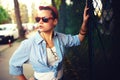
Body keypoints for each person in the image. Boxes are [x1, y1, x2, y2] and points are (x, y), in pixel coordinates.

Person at [9, 5, 89, 80]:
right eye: (38, 19)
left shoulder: (61, 38)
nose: (40, 22)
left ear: (55, 21)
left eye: (45, 19)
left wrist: (84, 23)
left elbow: (78, 39)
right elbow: (14, 64)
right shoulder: (29, 44)